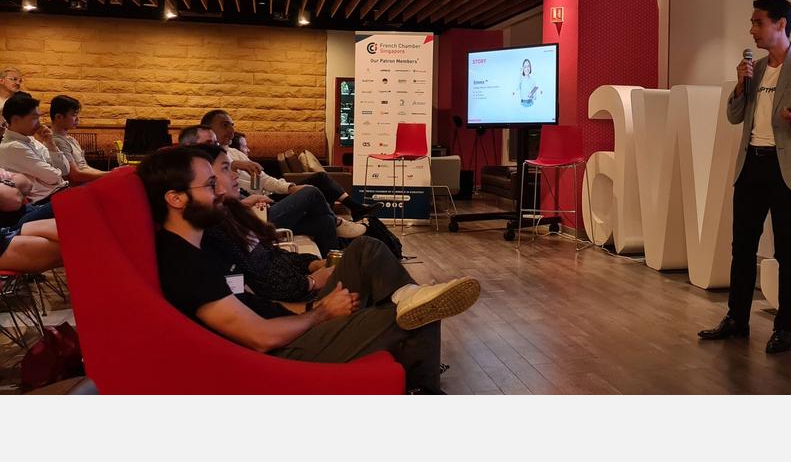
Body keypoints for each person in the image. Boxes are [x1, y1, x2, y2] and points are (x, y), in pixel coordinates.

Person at [138, 146, 478, 393]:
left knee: (370, 252)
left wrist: (309, 301)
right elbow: (260, 338)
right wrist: (320, 312)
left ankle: (408, 307)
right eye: (210, 185)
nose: (221, 192)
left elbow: (254, 293)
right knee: (414, 313)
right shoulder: (186, 262)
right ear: (176, 199)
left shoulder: (195, 245)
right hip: (284, 350)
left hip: (290, 322)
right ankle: (424, 390)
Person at [698, 0, 791, 355]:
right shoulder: (754, 69)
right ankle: (736, 319)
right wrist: (739, 86)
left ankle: (785, 329)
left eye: (758, 22)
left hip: (785, 169)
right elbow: (734, 116)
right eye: (752, 23)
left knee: (787, 250)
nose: (752, 30)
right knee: (742, 247)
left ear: (781, 24)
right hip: (751, 165)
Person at [200, 110, 379, 221]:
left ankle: (341, 228)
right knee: (312, 191)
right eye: (225, 125)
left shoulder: (235, 152)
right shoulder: (204, 159)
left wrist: (290, 187)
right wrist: (234, 166)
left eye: (232, 125)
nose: (231, 130)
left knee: (320, 195)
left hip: (266, 197)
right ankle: (341, 219)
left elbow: (265, 179)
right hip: (255, 206)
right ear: (207, 129)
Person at [0, 94, 69, 203]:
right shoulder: (13, 146)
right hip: (46, 200)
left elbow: (65, 170)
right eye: (34, 118)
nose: (39, 123)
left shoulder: (31, 140)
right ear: (16, 119)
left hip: (59, 192)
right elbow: (54, 177)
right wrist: (52, 169)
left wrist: (50, 143)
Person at [49, 95, 107, 184]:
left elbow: (84, 167)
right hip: (78, 187)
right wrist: (110, 174)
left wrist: (108, 174)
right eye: (73, 115)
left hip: (87, 182)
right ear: (58, 117)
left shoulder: (71, 140)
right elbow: (75, 176)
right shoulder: (57, 142)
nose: (77, 119)